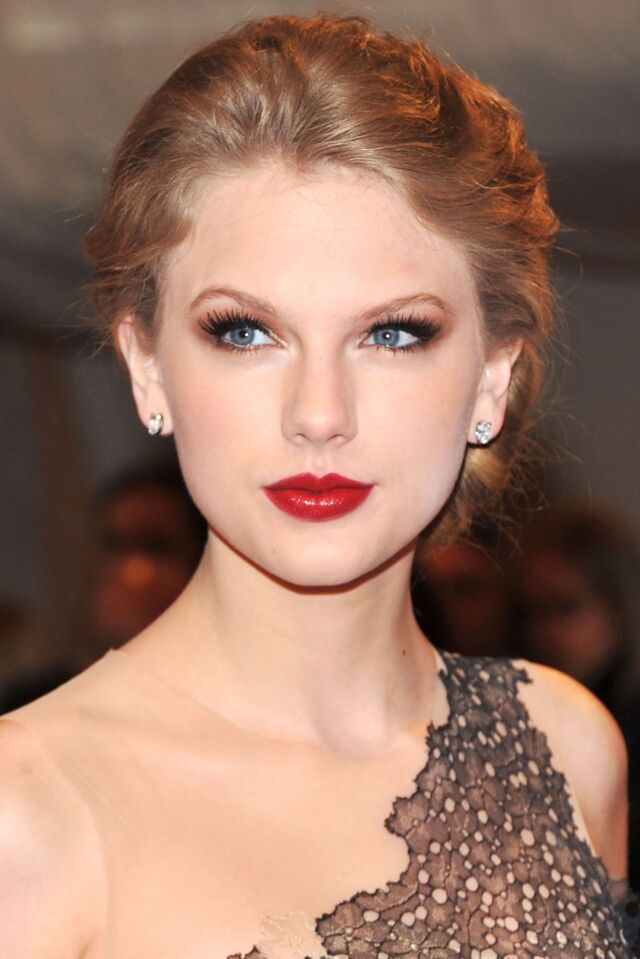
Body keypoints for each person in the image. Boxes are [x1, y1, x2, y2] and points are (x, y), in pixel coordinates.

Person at [0, 14, 635, 958]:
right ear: (147, 365)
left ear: (492, 375)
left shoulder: (569, 747)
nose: (320, 414)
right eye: (245, 332)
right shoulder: (28, 814)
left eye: (393, 333)